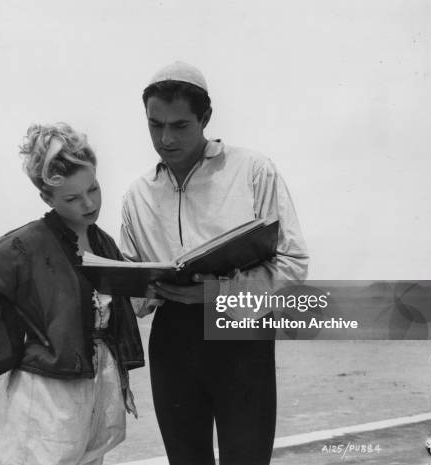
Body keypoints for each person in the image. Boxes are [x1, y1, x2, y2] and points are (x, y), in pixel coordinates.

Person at [120, 62, 309, 465]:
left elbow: (293, 265)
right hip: (172, 341)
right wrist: (140, 288)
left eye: (180, 125)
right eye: (155, 125)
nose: (166, 139)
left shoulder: (253, 171)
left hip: (239, 332)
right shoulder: (137, 195)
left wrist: (215, 293)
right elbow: (135, 299)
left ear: (205, 118)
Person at [0, 123, 144, 465]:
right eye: (72, 198)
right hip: (48, 387)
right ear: (47, 198)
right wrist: (15, 342)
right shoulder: (29, 242)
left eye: (93, 188)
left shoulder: (103, 242)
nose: (88, 203)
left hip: (98, 377)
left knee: (90, 458)